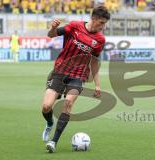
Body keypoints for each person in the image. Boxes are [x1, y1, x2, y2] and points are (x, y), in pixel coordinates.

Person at [41, 6, 110, 153]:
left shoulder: (100, 39)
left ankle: (53, 141)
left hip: (78, 75)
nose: (102, 26)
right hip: (60, 71)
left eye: (104, 24)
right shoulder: (74, 26)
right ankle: (49, 123)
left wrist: (97, 85)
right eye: (101, 23)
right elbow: (51, 35)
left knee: (68, 104)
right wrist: (53, 27)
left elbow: (94, 62)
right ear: (93, 19)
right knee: (46, 106)